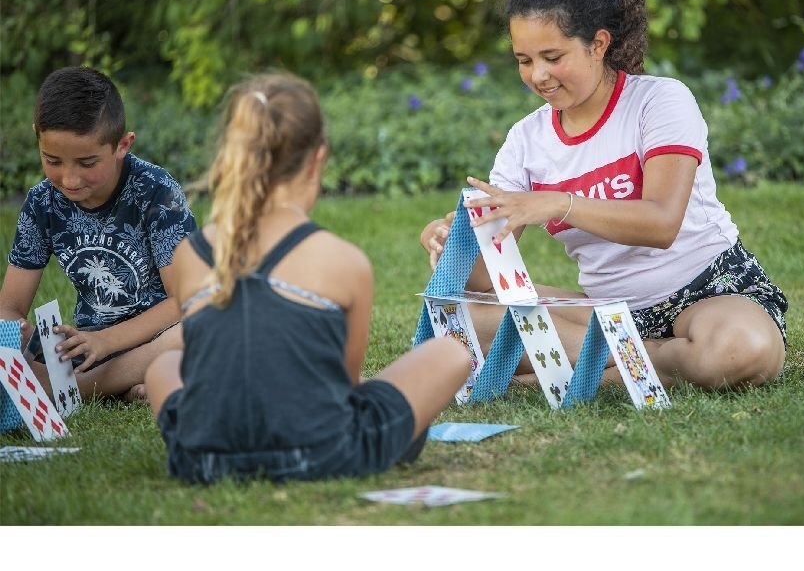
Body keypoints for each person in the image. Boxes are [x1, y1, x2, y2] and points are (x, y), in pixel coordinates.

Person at [420, 0, 788, 392]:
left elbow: (661, 224)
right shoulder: (525, 141)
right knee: (464, 323)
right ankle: (647, 359)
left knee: (742, 349)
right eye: (524, 60)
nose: (538, 75)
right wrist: (451, 245)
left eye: (552, 57)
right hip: (607, 312)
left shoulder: (660, 102)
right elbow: (486, 282)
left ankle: (572, 371)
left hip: (708, 293)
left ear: (598, 44)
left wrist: (558, 203)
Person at [145, 73, 469, 484]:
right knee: (450, 353)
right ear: (317, 159)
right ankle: (395, 436)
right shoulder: (343, 260)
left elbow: (203, 367)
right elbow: (344, 386)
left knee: (163, 366)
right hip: (322, 452)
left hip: (204, 459)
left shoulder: (189, 254)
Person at [0, 67, 197, 401]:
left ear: (122, 145)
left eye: (87, 163)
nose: (70, 179)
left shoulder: (156, 191)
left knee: (200, 326)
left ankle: (72, 388)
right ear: (37, 137)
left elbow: (184, 300)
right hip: (86, 348)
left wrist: (107, 341)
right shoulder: (41, 203)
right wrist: (13, 332)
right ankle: (128, 383)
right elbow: (10, 307)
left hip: (160, 336)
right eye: (52, 160)